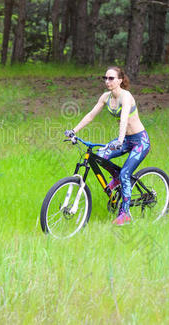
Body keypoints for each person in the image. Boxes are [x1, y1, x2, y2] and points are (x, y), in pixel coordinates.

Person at [64, 66, 150, 226]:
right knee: (100, 155)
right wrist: (73, 131)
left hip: (139, 141)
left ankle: (125, 214)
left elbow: (124, 118)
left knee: (125, 173)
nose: (107, 81)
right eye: (105, 78)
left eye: (111, 78)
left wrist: (119, 139)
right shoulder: (106, 97)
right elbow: (90, 115)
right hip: (124, 140)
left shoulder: (126, 96)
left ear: (120, 80)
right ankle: (116, 178)